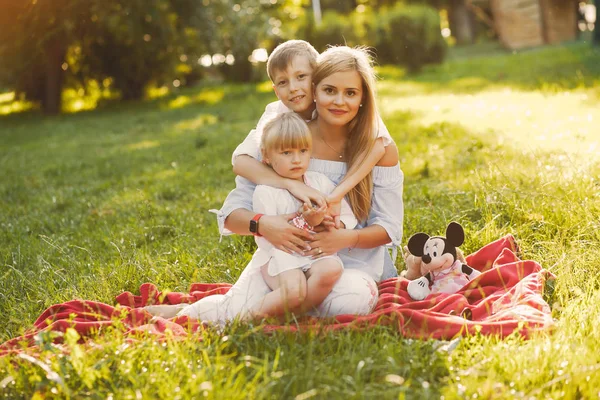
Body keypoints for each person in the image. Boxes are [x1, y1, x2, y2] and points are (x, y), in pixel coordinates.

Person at [171, 44, 403, 323]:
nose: (339, 101)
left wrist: (343, 238)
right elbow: (232, 211)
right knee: (285, 292)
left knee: (348, 301)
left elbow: (389, 227)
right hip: (288, 261)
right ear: (315, 90)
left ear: (363, 97)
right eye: (329, 90)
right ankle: (224, 310)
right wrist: (265, 223)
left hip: (351, 263)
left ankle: (247, 310)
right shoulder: (290, 142)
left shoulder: (376, 144)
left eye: (351, 93)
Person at [242, 112, 357, 319]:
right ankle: (247, 318)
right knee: (295, 290)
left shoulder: (319, 182)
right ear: (266, 156)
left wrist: (335, 224)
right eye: (286, 153)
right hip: (281, 255)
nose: (297, 160)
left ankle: (295, 316)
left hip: (313, 253)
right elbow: (269, 237)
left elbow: (346, 216)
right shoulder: (266, 191)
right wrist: (306, 221)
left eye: (303, 151)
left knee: (331, 268)